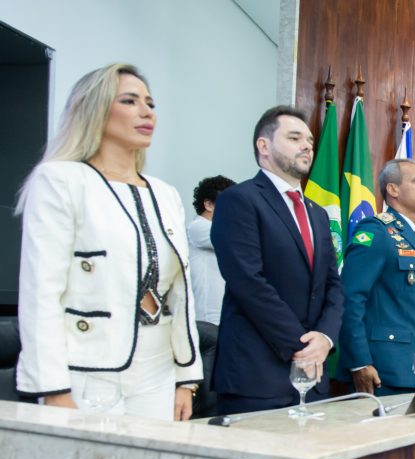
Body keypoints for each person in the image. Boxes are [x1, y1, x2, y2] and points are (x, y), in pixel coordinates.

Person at [15, 63, 201, 421]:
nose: (146, 112)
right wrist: (53, 389)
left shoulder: (165, 193)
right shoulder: (60, 180)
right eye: (130, 101)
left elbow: (181, 293)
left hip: (157, 371)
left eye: (150, 103)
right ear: (95, 110)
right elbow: (41, 293)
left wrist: (186, 379)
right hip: (87, 370)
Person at [210, 106, 343, 414]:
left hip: (313, 377)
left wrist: (324, 339)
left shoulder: (318, 214)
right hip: (257, 376)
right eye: (295, 137)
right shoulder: (239, 200)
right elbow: (248, 283)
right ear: (264, 146)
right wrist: (301, 348)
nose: (307, 145)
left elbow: (334, 285)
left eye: (309, 139)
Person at [339, 159, 415, 395]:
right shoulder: (377, 231)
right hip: (381, 371)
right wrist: (360, 361)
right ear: (393, 189)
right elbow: (349, 299)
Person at [187, 175, 235, 325]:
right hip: (208, 319)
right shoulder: (197, 227)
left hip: (225, 316)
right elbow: (238, 239)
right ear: (208, 204)